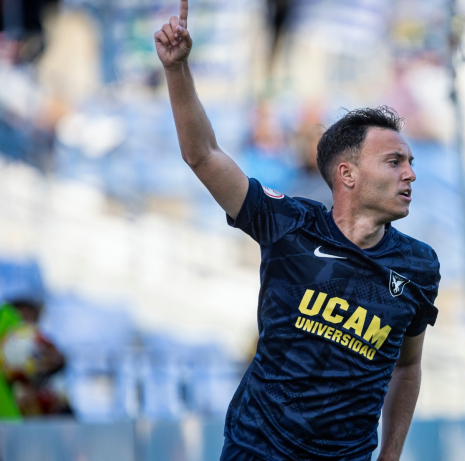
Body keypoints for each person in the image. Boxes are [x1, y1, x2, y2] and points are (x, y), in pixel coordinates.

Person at [154, 3, 441, 460]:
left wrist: (389, 456)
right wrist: (177, 69)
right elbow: (203, 155)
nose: (409, 174)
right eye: (394, 162)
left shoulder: (419, 265)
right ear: (347, 175)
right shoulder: (290, 225)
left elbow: (408, 367)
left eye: (410, 162)